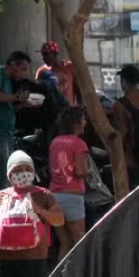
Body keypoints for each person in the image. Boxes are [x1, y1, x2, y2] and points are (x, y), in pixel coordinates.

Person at [0, 151, 64, 277]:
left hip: (34, 261)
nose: (23, 172)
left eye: (27, 168)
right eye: (17, 169)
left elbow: (59, 219)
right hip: (4, 263)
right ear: (9, 174)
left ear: (33, 171)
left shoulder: (43, 194)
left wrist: (41, 211)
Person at [0, 51, 33, 193]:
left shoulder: (8, 81)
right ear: (14, 64)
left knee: (5, 174)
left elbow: (6, 106)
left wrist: (23, 105)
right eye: (23, 69)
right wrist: (17, 97)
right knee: (0, 176)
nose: (24, 74)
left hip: (6, 133)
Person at [48, 107, 89, 255]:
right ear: (77, 123)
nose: (85, 122)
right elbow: (80, 171)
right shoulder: (79, 144)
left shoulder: (55, 142)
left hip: (54, 197)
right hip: (73, 197)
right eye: (83, 119)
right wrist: (88, 171)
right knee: (79, 242)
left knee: (64, 244)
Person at [36, 41, 79, 107]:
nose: (43, 58)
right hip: (51, 112)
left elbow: (77, 88)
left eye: (46, 54)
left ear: (54, 53)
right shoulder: (41, 71)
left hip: (68, 111)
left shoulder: (69, 67)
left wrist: (80, 106)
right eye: (42, 55)